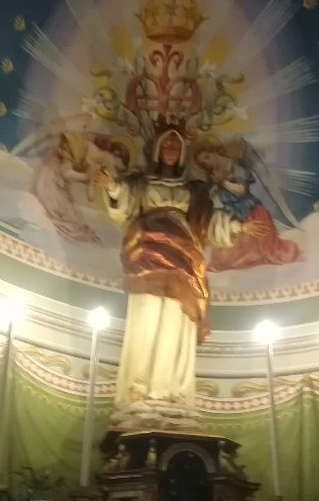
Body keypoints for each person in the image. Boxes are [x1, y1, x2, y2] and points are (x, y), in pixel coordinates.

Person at [92, 128, 266, 430]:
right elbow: (124, 205)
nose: (171, 149)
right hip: (146, 255)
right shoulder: (142, 182)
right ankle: (140, 389)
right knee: (147, 320)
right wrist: (112, 187)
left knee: (177, 322)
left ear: (183, 153)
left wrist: (238, 228)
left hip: (184, 259)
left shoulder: (194, 190)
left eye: (176, 145)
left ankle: (173, 391)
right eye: (166, 145)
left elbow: (207, 222)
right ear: (157, 150)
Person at [191, 142, 304, 272]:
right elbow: (212, 198)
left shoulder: (236, 165)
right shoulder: (212, 175)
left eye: (207, 157)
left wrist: (222, 182)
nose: (207, 163)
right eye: (203, 163)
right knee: (225, 259)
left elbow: (241, 190)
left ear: (213, 151)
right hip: (230, 215)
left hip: (249, 211)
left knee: (262, 253)